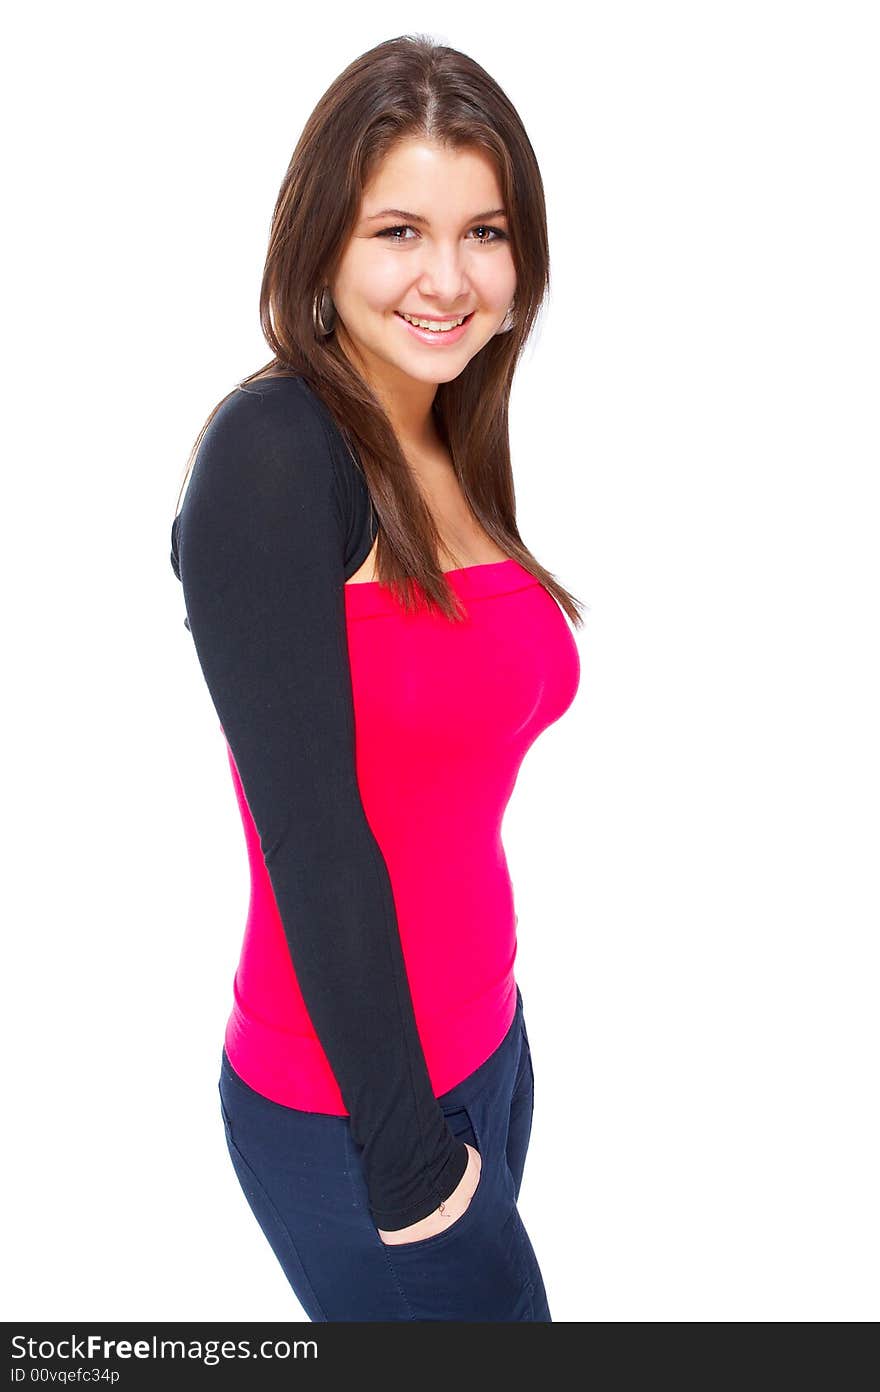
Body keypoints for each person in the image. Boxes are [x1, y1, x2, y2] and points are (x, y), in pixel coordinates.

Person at [169, 33, 585, 1322]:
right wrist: (410, 1156)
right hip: (361, 1112)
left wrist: (498, 1050)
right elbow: (313, 831)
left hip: (480, 1054)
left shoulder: (446, 436)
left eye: (486, 231)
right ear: (323, 247)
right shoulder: (279, 454)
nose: (448, 278)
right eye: (399, 230)